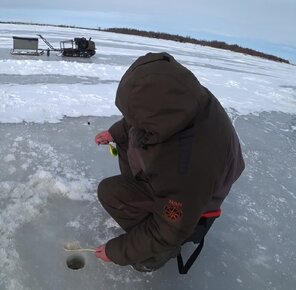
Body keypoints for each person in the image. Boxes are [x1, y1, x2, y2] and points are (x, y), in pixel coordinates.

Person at [93, 52, 245, 272]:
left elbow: (170, 227)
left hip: (194, 194)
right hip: (187, 175)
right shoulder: (182, 98)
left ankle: (160, 252)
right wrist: (115, 133)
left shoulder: (187, 166)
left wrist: (118, 250)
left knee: (110, 192)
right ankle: (145, 207)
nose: (132, 120)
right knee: (128, 143)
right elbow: (140, 117)